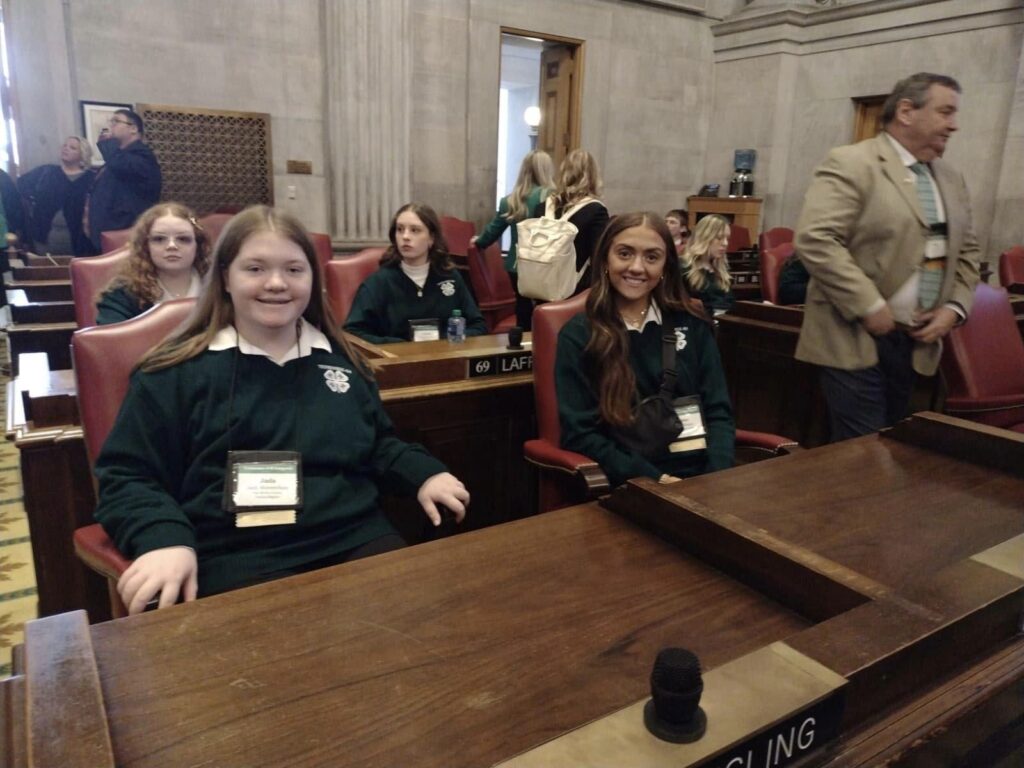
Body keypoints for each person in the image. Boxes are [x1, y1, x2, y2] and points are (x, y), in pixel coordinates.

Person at [93, 205, 470, 614]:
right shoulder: (172, 372)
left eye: (294, 270)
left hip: (353, 538)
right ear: (224, 277)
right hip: (235, 552)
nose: (276, 283)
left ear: (313, 279)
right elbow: (127, 476)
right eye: (255, 269)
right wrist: (164, 538)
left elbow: (377, 443)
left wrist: (423, 473)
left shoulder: (342, 361)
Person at [794, 72, 980, 441]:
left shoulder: (951, 178)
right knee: (865, 455)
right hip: (854, 334)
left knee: (889, 446)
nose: (953, 125)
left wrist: (954, 309)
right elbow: (816, 238)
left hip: (917, 343)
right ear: (907, 111)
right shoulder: (853, 162)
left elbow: (969, 252)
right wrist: (867, 304)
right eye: (945, 112)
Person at [555, 211, 735, 489]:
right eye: (625, 254)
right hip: (633, 481)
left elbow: (719, 412)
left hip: (705, 478)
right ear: (605, 259)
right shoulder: (579, 334)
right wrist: (657, 480)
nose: (637, 267)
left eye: (652, 257)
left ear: (665, 266)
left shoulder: (692, 323)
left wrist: (717, 477)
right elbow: (581, 434)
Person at [345, 203, 487, 344]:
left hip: (444, 358)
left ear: (431, 238)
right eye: (400, 230)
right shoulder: (378, 283)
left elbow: (478, 326)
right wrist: (397, 346)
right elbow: (352, 333)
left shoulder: (450, 277)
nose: (405, 236)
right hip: (395, 361)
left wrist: (447, 341)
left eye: (415, 230)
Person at [472, 149, 554, 329]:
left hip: (517, 264)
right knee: (547, 307)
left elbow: (492, 233)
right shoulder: (554, 198)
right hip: (545, 263)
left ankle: (523, 345)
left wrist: (477, 241)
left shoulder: (511, 201)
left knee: (522, 305)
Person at [95, 202, 211, 325]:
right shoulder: (121, 293)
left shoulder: (220, 284)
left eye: (183, 239)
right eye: (159, 239)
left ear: (198, 245)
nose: (172, 246)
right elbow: (110, 342)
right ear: (145, 246)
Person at [531, 149, 609, 295]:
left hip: (540, 284)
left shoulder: (542, 207)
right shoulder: (596, 211)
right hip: (575, 289)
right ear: (593, 175)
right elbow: (599, 257)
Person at [86, 108, 162, 252]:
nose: (111, 125)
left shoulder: (143, 156)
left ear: (133, 129)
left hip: (124, 231)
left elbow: (122, 166)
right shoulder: (117, 157)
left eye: (116, 121)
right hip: (107, 232)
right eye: (111, 121)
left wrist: (108, 144)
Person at [17, 136, 97, 256]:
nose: (66, 149)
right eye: (65, 146)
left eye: (72, 148)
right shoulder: (47, 172)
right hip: (45, 236)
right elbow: (22, 184)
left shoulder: (91, 178)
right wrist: (33, 201)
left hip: (80, 239)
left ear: (83, 154)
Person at [680, 213, 735, 316]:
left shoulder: (721, 269)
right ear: (704, 237)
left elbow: (730, 304)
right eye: (719, 238)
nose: (725, 243)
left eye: (727, 238)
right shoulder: (683, 268)